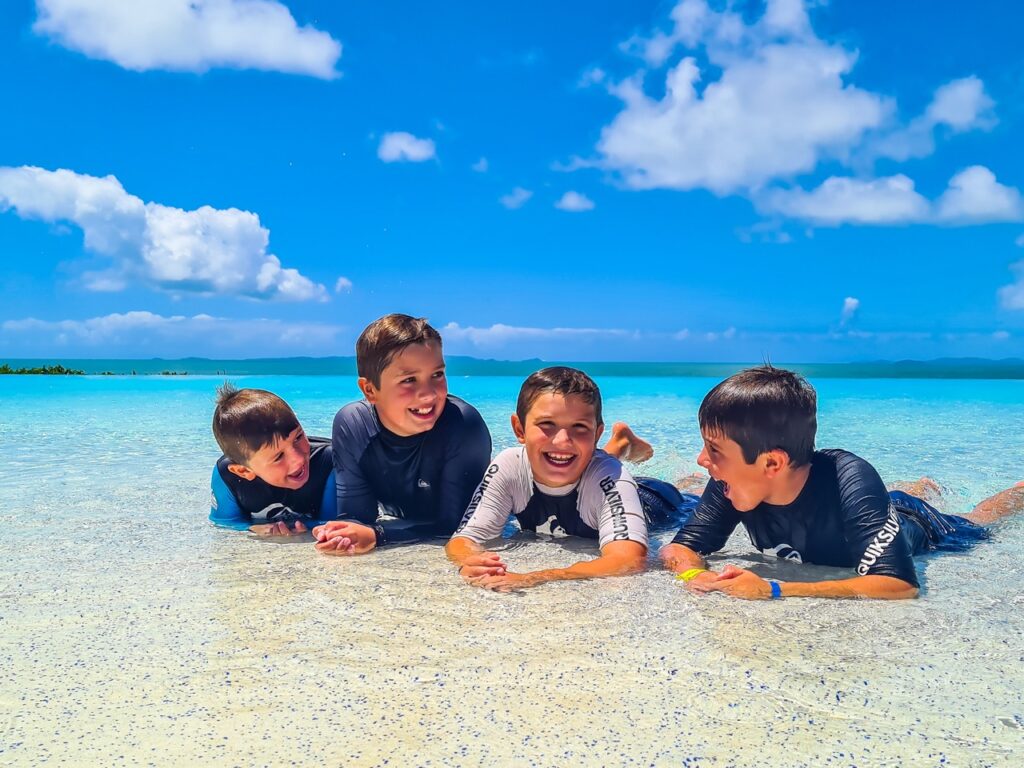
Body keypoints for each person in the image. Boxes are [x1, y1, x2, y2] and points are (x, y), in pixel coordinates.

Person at [660, 365, 1023, 600]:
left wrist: (774, 588)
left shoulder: (849, 476)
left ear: (772, 462)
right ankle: (917, 485)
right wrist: (694, 574)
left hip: (919, 525)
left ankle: (1015, 491)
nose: (702, 460)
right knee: (900, 494)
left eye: (714, 449)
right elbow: (681, 548)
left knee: (977, 518)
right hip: (876, 508)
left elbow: (899, 585)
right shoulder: (731, 478)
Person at [313, 316, 656, 556]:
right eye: (409, 381)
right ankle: (618, 444)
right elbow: (356, 516)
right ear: (370, 390)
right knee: (571, 454)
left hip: (456, 512)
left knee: (580, 462)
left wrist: (380, 534)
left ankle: (614, 447)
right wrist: (341, 534)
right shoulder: (352, 424)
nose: (430, 393)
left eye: (437, 374)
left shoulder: (463, 425)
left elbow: (454, 522)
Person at [446, 367, 692, 590]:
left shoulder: (613, 478)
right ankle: (619, 443)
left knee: (691, 490)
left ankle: (668, 471)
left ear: (596, 433)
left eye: (580, 427)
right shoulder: (509, 466)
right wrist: (472, 560)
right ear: (519, 429)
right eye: (547, 424)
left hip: (654, 500)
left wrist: (538, 577)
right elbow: (463, 539)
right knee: (571, 455)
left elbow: (629, 560)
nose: (562, 439)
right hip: (592, 472)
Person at [209, 384, 337, 535]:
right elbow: (226, 522)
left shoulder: (329, 462)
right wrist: (251, 529)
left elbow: (335, 522)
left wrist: (307, 528)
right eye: (279, 456)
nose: (298, 459)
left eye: (298, 437)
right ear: (243, 471)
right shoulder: (227, 477)